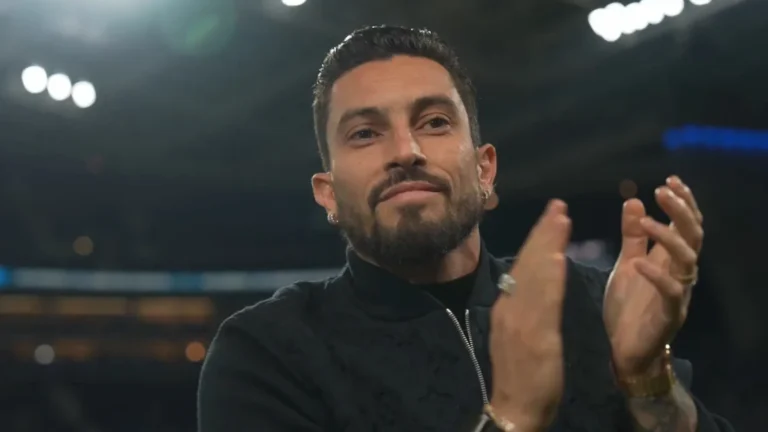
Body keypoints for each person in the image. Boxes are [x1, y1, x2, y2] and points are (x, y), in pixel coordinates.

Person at [197, 25, 734, 432]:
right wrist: (512, 417)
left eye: (434, 122)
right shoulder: (268, 352)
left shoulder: (593, 304)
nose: (406, 151)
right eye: (364, 133)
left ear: (485, 170)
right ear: (328, 194)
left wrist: (645, 379)